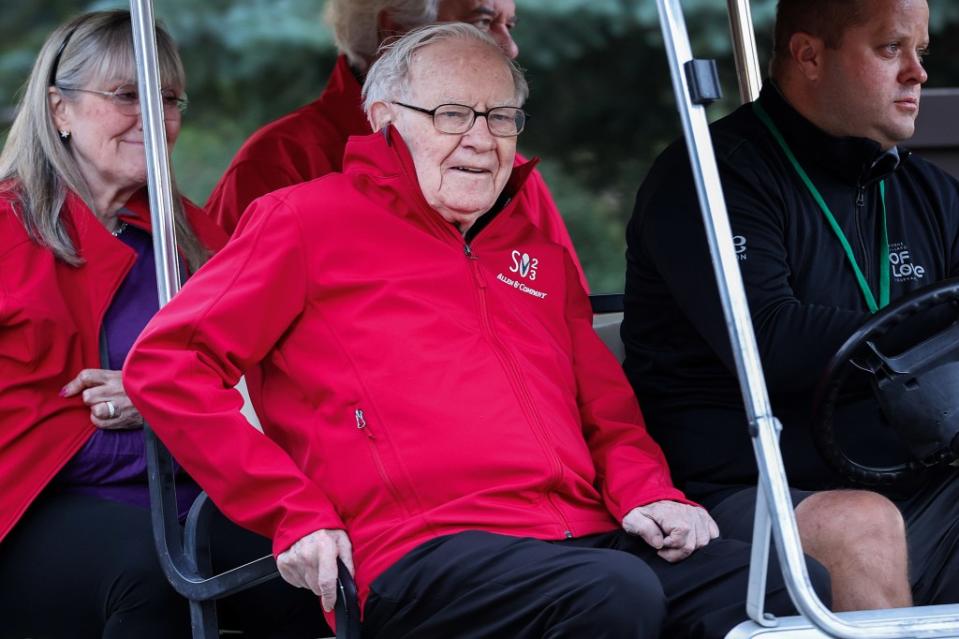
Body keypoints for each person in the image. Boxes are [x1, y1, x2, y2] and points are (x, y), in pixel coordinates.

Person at [125, 23, 830, 638]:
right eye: (451, 113)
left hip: (580, 532)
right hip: (419, 548)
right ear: (381, 118)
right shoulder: (303, 220)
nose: (481, 139)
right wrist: (293, 510)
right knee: (614, 595)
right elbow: (168, 364)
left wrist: (647, 489)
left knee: (783, 583)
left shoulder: (534, 250)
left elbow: (604, 410)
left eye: (501, 117)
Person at [0, 11, 327, 638]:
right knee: (150, 579)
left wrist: (162, 392)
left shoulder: (193, 238)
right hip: (39, 508)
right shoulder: (8, 231)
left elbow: (276, 381)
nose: (156, 116)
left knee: (328, 574)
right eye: (128, 95)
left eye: (168, 99)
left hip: (193, 498)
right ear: (59, 109)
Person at [624, 0, 958, 612]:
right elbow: (769, 341)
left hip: (914, 473)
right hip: (736, 492)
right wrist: (935, 323)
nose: (917, 72)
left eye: (921, 52)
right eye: (890, 49)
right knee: (861, 525)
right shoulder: (711, 175)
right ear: (808, 55)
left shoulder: (929, 192)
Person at [204, 0, 587, 289]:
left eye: (510, 25)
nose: (510, 47)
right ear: (395, 33)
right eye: (483, 22)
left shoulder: (508, 170)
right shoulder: (281, 164)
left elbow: (571, 322)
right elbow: (211, 340)